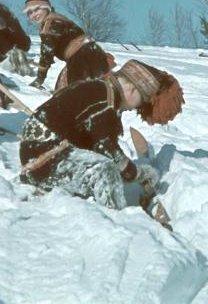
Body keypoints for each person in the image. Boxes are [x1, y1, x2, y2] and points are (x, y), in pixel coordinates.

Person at [18, 59, 184, 209]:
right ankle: (115, 219)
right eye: (140, 102)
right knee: (105, 170)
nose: (134, 109)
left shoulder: (100, 93)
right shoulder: (102, 96)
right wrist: (136, 173)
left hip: (48, 156)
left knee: (106, 167)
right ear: (133, 89)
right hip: (46, 160)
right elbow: (105, 146)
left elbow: (97, 145)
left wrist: (126, 170)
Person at [23, 0, 112, 91]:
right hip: (92, 53)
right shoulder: (59, 19)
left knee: (73, 94)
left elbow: (47, 53)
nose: (33, 15)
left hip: (82, 57)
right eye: (29, 13)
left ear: (46, 8)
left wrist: (39, 78)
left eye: (36, 10)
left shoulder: (50, 24)